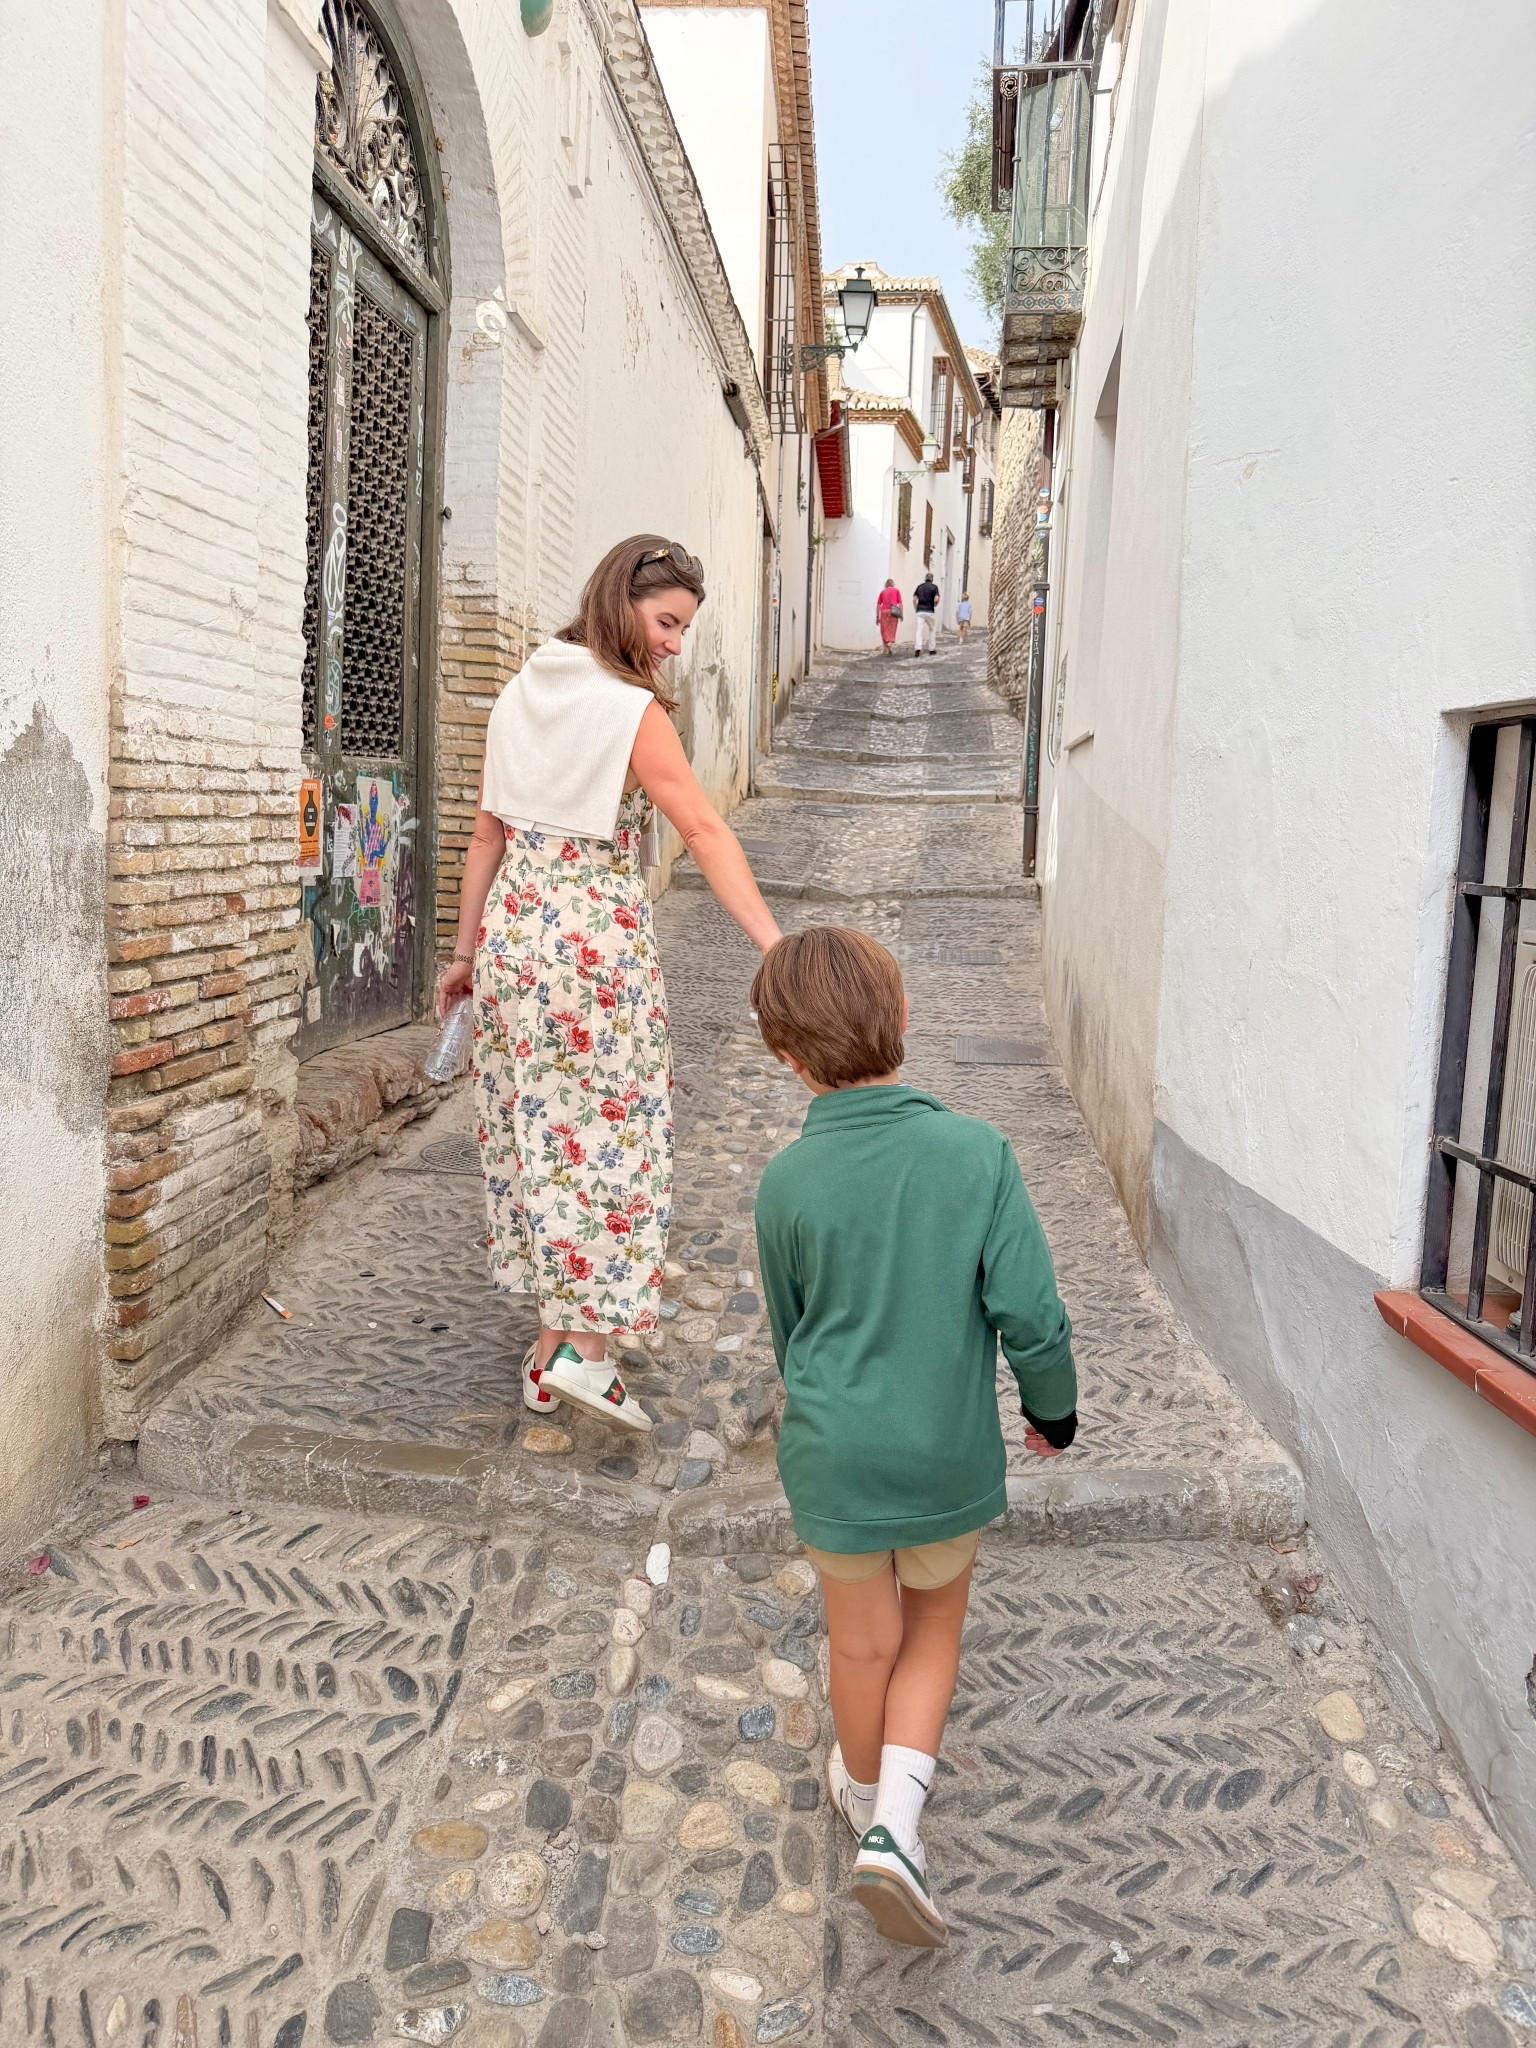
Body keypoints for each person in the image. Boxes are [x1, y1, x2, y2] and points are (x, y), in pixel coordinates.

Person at [751, 927, 1077, 1947]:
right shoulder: (978, 1154)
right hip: (944, 1452)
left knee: (861, 1638)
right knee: (933, 1622)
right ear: (905, 1022)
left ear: (789, 1060)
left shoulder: (786, 1182)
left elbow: (789, 1327)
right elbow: (1030, 1307)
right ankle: (898, 1824)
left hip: (834, 1456)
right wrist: (1049, 1408)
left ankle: (858, 1793)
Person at [437, 535, 783, 1432]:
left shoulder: (518, 694)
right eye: (667, 622)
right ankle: (585, 1353)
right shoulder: (631, 712)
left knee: (536, 1133)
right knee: (607, 1138)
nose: (674, 642)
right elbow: (704, 829)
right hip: (590, 947)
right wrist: (772, 944)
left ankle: (552, 1345)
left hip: (515, 940)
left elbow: (486, 839)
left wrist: (466, 954)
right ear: (621, 601)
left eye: (683, 629)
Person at [912, 570, 940, 655]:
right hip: (930, 611)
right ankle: (931, 649)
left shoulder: (919, 587)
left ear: (925, 579)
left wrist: (916, 608)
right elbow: (936, 599)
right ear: (932, 579)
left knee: (919, 630)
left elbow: (914, 599)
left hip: (920, 610)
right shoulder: (934, 587)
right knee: (932, 629)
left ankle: (918, 648)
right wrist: (935, 604)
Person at [875, 579, 903, 657]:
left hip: (884, 612)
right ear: (893, 584)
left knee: (884, 629)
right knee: (892, 628)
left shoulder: (882, 592)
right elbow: (900, 604)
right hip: (894, 612)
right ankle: (890, 642)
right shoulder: (897, 591)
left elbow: (878, 605)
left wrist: (877, 617)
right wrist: (901, 614)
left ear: (886, 584)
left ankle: (885, 649)